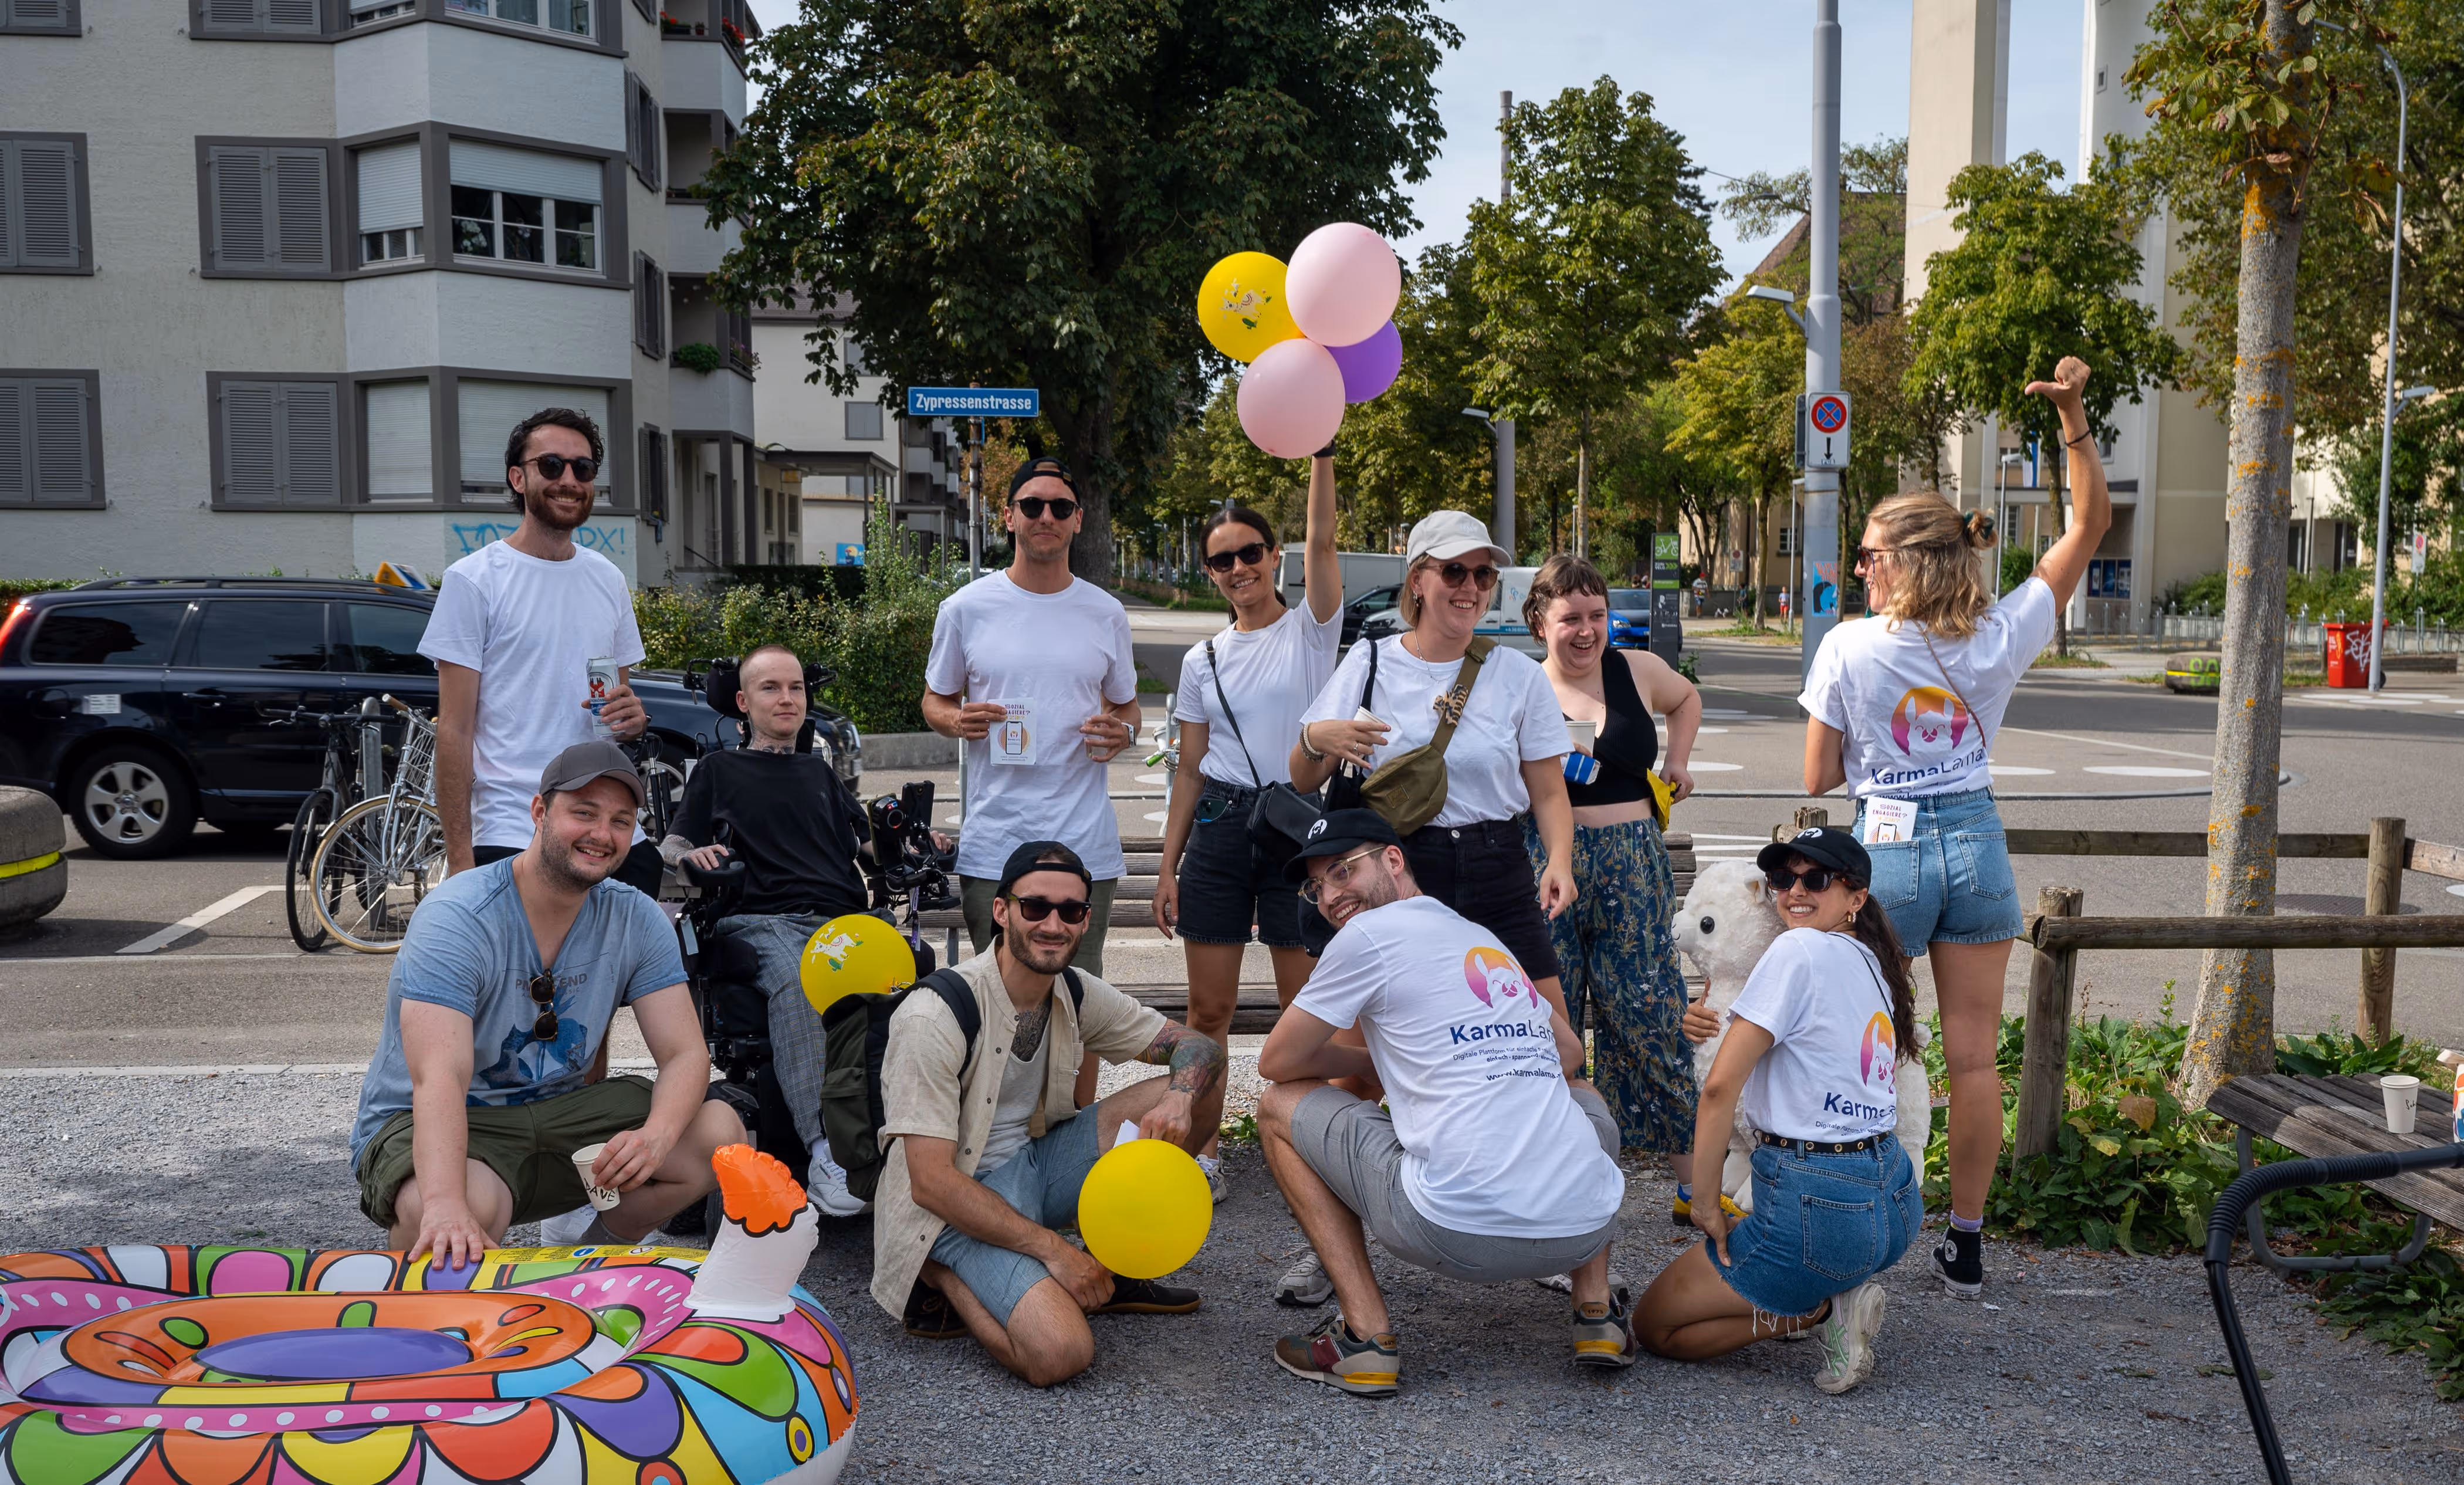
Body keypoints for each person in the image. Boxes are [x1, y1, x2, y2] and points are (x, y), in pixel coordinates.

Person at [1776, 353, 2106, 1301]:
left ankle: (1857, 1218)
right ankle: (1964, 1241)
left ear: (1907, 559)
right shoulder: (1999, 634)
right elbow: (2088, 525)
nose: (1858, 568)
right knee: (1973, 1058)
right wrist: (2073, 417)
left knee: (1861, 1041)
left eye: (1871, 554)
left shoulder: (1848, 645)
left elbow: (1817, 775)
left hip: (1883, 853)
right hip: (1977, 842)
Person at [1255, 811, 1632, 1395]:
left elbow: (1278, 1062)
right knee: (1583, 1095)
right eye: (1317, 885)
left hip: (1448, 1229)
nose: (1330, 895)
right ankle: (1596, 1311)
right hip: (1581, 1226)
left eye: (1342, 871)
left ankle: (1365, 1337)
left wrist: (1367, 1062)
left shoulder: (1366, 935)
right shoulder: (1480, 937)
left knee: (1279, 1106)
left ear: (1394, 860)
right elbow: (1569, 1051)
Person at [350, 741, 746, 1264]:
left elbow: (685, 1055)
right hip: (449, 1122)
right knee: (452, 1210)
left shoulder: (638, 917)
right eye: (584, 813)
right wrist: (445, 1204)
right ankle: (432, 1321)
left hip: (558, 1112)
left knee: (718, 1134)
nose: (602, 835)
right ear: (539, 811)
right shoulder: (459, 914)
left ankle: (582, 1273)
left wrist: (656, 1137)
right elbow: (439, 1076)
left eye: (620, 821)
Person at [869, 841, 1228, 1387]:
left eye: (1072, 911)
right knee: (1061, 1352)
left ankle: (1113, 1268)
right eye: (1035, 907)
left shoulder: (1074, 990)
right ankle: (940, 1276)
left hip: (1036, 1164)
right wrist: (1056, 1252)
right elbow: (932, 1184)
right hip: (954, 1203)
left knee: (1201, 1082)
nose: (1053, 923)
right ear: (1001, 910)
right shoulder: (934, 1015)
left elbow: (1200, 1049)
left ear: (1086, 920)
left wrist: (1180, 1098)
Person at [1639, 828, 1923, 1396]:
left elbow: (1720, 1087)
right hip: (1894, 1200)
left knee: (1654, 1325)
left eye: (1814, 878)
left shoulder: (1793, 950)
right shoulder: (1871, 958)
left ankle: (1815, 1312)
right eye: (1781, 879)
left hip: (1821, 1208)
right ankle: (1834, 1284)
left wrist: (1702, 1201)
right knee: (1773, 1243)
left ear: (1855, 896)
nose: (1794, 889)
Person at [1153, 451, 1341, 1204]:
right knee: (1210, 1011)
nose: (1238, 568)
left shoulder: (1310, 632)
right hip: (1222, 832)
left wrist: (1321, 456)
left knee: (1306, 1009)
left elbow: (1325, 543)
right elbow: (1190, 771)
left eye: (1250, 553)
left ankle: (1310, 1140)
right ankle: (1203, 1146)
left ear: (1273, 558)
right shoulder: (1202, 658)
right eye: (1222, 560)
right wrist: (1169, 866)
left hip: (1296, 835)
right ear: (1211, 572)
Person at [660, 643, 876, 1215]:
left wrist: (917, 845)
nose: (787, 698)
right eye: (771, 688)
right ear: (742, 702)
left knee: (913, 980)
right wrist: (690, 857)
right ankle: (827, 1150)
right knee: (803, 979)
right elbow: (673, 843)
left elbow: (869, 843)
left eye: (796, 687)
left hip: (842, 920)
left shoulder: (819, 772)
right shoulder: (719, 769)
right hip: (761, 919)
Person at [422, 407, 662, 897]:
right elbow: (454, 730)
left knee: (625, 968)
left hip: (607, 828)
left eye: (583, 468)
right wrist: (462, 862)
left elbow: (617, 708)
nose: (568, 479)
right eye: (551, 465)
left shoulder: (608, 579)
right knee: (526, 975)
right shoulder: (474, 580)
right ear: (519, 477)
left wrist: (633, 718)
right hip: (513, 830)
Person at [922, 457, 1141, 978]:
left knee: (1080, 1007)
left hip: (1083, 842)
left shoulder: (1105, 612)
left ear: (1078, 520)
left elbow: (1127, 705)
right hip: (996, 842)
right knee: (996, 1010)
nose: (1047, 515)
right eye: (1033, 505)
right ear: (1008, 516)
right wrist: (957, 721)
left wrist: (1124, 731)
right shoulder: (965, 608)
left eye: (1060, 507)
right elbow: (935, 700)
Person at [1521, 554, 1704, 1163]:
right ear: (1539, 621)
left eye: (1597, 615)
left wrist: (1677, 760)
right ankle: (1562, 1164)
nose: (1586, 630)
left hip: (1634, 861)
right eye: (1570, 617)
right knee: (1553, 1012)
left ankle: (1689, 1175)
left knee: (1651, 1007)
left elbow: (1686, 700)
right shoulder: (1520, 685)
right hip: (1548, 862)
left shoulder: (1638, 668)